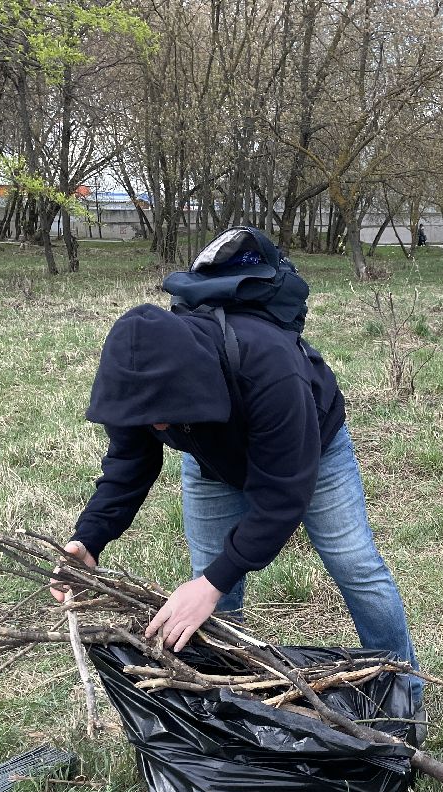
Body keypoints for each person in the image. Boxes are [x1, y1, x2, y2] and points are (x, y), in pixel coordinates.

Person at [54, 225, 420, 706]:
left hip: (313, 449)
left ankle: (402, 689)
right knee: (212, 591)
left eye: (167, 416)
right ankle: (231, 701)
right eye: (149, 420)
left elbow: (281, 497)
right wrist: (90, 537)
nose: (157, 426)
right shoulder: (137, 385)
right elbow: (129, 462)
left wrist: (208, 583)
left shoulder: (270, 368)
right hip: (213, 462)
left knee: (354, 564)